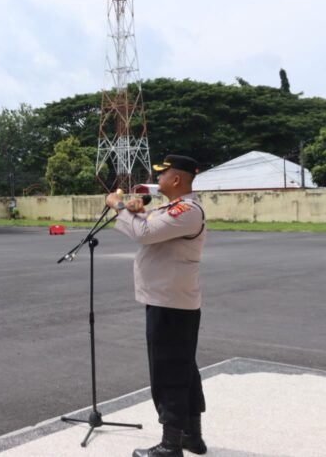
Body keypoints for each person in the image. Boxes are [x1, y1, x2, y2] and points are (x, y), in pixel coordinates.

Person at [105, 155, 207, 457]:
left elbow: (145, 234)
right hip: (169, 298)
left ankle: (170, 444)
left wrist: (119, 206)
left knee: (168, 370)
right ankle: (191, 436)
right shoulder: (174, 207)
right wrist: (140, 210)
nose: (156, 179)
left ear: (176, 180)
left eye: (161, 175)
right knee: (183, 368)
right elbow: (150, 223)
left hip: (170, 302)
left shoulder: (188, 210)